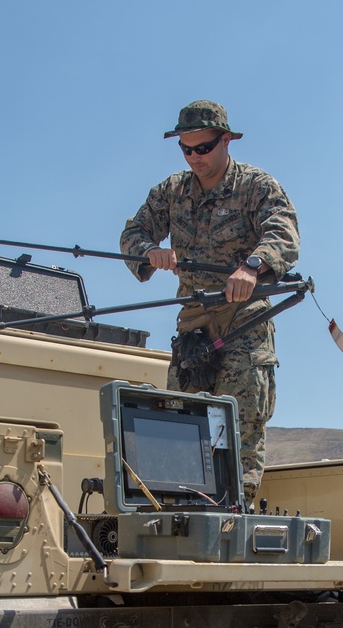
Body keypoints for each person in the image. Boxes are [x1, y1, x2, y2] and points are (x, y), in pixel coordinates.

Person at [120, 101, 299, 503]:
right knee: (177, 426)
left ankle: (239, 511)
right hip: (193, 328)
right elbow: (132, 234)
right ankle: (179, 512)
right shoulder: (171, 191)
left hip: (243, 322)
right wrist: (150, 251)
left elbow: (283, 235)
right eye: (186, 149)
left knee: (240, 428)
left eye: (203, 148)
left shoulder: (257, 186)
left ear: (226, 141)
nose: (195, 157)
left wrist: (252, 267)